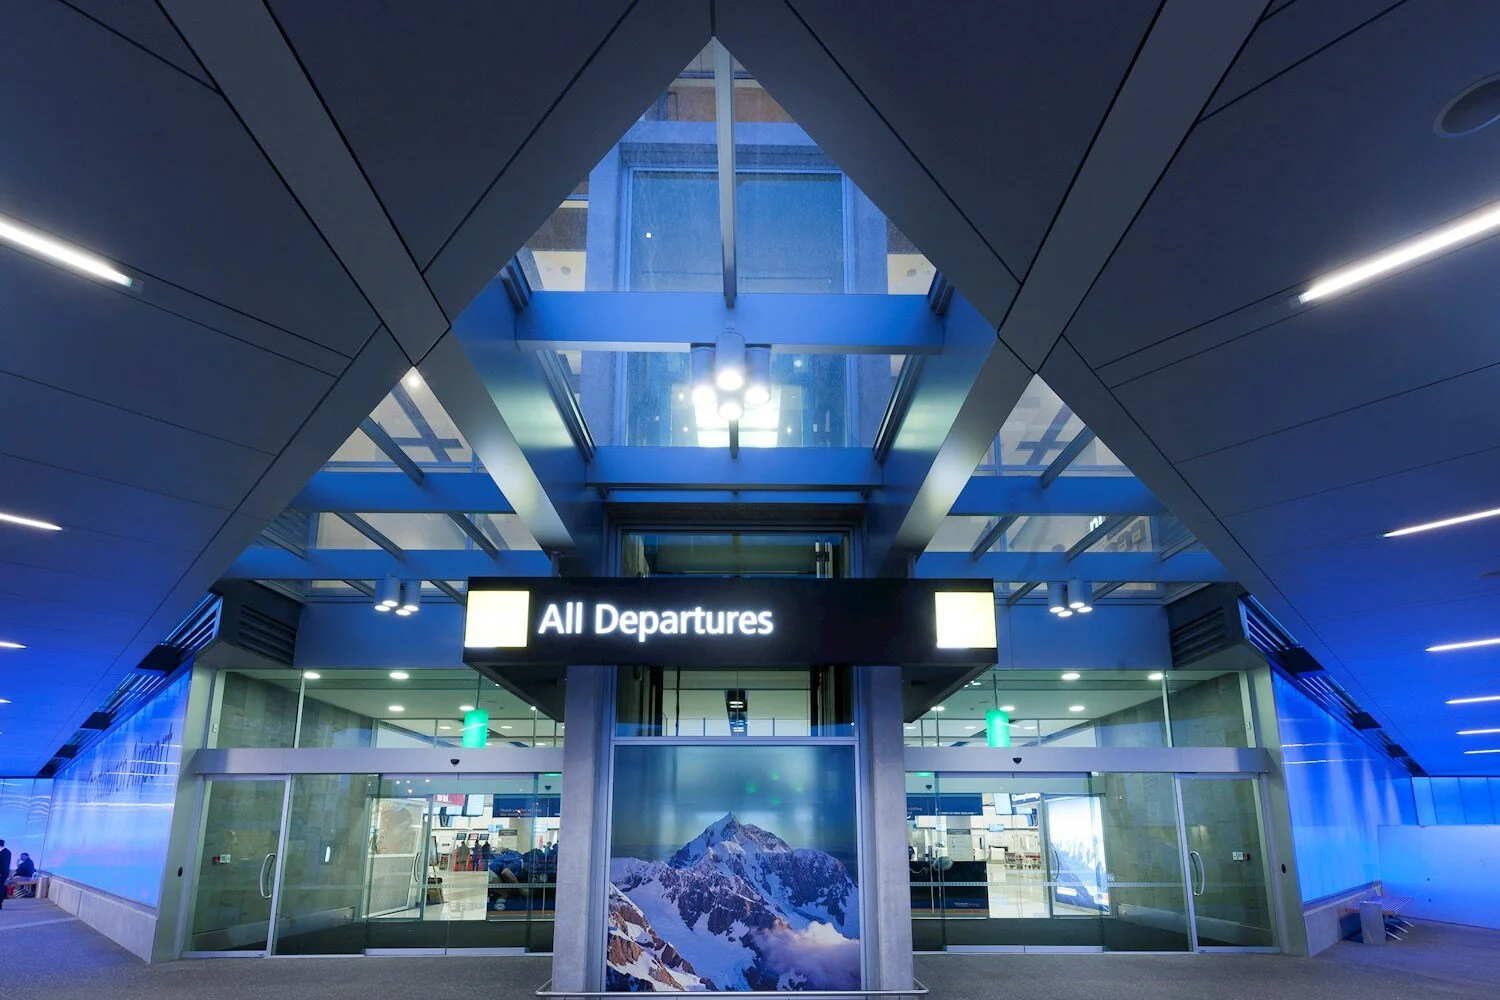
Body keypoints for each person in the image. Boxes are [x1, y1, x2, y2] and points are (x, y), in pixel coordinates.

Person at [0, 839, 10, 909]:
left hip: (1, 874)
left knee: (0, 888)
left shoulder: (5, 852)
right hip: (2, 874)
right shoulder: (4, 852)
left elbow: (4, 865)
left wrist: (1, 873)